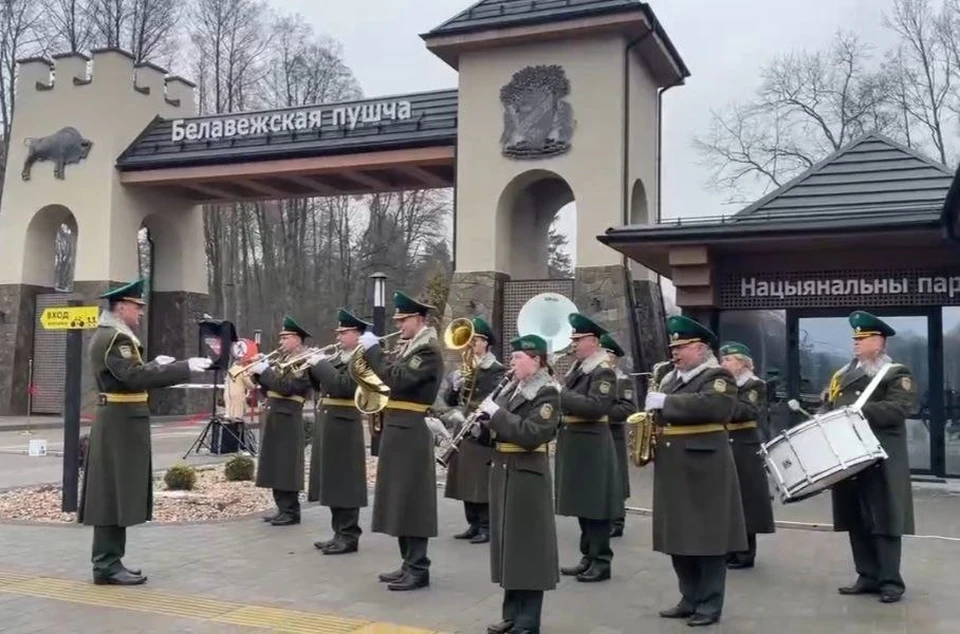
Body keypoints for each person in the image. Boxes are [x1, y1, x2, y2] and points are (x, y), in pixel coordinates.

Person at [78, 278, 212, 585]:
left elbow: (127, 375)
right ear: (122, 306)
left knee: (116, 492)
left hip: (121, 420)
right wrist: (183, 366)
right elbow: (134, 378)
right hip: (120, 423)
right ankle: (106, 564)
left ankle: (111, 560)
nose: (140, 313)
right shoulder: (116, 339)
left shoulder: (113, 336)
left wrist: (155, 364)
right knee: (113, 494)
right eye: (137, 307)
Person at [643, 315, 746, 627]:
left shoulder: (718, 376)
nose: (675, 352)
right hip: (673, 466)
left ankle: (710, 604)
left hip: (705, 467)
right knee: (679, 536)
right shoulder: (670, 377)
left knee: (707, 538)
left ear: (700, 348)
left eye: (682, 347)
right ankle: (689, 598)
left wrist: (667, 402)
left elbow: (714, 407)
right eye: (673, 347)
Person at [821, 311, 915, 604]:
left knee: (884, 519)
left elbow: (899, 410)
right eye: (855, 339)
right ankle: (867, 575)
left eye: (863, 339)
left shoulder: (896, 374)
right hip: (849, 456)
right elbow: (831, 405)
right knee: (857, 516)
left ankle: (890, 581)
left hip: (881, 456)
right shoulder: (843, 374)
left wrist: (858, 412)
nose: (856, 344)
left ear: (880, 341)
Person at [358, 290, 444, 591]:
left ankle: (419, 567)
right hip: (398, 428)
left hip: (411, 429)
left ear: (420, 319)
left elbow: (397, 379)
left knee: (412, 501)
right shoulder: (409, 347)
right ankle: (408, 562)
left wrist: (373, 353)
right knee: (399, 500)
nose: (400, 324)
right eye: (398, 319)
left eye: (404, 319)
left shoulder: (427, 351)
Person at [475, 334, 560, 634]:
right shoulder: (512, 388)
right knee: (509, 548)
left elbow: (531, 434)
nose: (511, 362)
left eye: (518, 357)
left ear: (536, 360)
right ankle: (511, 614)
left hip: (527, 475)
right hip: (504, 472)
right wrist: (478, 426)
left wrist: (497, 415)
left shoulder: (547, 393)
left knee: (527, 549)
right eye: (511, 357)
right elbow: (497, 431)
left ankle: (527, 621)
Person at [555, 313, 622, 583]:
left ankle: (601, 560)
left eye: (578, 340)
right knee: (584, 504)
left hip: (592, 442)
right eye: (573, 339)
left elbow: (596, 407)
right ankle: (588, 556)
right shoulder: (580, 368)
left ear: (593, 341)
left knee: (596, 506)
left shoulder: (602, 370)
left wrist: (560, 393)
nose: (574, 345)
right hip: (577, 441)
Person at [438, 316, 506, 544]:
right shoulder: (466, 367)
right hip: (462, 425)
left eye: (475, 341)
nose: (470, 345)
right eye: (470, 341)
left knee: (480, 477)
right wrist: (454, 387)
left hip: (481, 428)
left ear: (485, 343)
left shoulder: (496, 370)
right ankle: (473, 524)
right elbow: (450, 400)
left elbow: (494, 399)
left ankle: (486, 525)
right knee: (465, 478)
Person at [306, 309, 369, 554]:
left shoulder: (361, 358)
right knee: (332, 480)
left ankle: (349, 535)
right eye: (339, 332)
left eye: (344, 332)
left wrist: (320, 364)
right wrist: (312, 368)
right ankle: (338, 532)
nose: (339, 336)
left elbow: (343, 386)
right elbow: (322, 386)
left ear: (357, 334)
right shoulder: (338, 356)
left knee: (346, 481)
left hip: (345, 422)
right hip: (331, 422)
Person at [250, 315, 313, 527]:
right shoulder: (284, 359)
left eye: (285, 338)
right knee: (275, 462)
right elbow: (271, 387)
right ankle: (281, 508)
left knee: (286, 464)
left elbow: (288, 387)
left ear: (297, 339)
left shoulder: (305, 360)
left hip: (289, 413)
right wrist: (258, 373)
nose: (280, 342)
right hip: (276, 412)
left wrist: (266, 371)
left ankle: (291, 510)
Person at [719, 342, 776, 569]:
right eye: (722, 361)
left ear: (742, 362)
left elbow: (744, 411)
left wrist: (719, 403)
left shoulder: (754, 385)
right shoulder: (724, 385)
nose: (724, 364)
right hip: (725, 442)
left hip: (745, 444)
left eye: (729, 360)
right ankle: (729, 548)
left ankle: (745, 553)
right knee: (727, 498)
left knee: (746, 498)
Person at [600, 333, 634, 538]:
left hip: (613, 433)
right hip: (597, 433)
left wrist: (600, 411)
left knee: (616, 476)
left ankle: (617, 519)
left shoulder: (622, 381)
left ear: (613, 357)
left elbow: (627, 408)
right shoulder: (596, 376)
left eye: (605, 354)